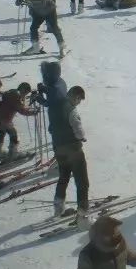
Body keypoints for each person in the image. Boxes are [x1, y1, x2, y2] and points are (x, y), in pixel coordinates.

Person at [41, 61, 90, 220]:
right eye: (79, 100)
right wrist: (82, 137)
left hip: (58, 147)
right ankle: (83, 214)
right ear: (75, 96)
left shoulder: (55, 103)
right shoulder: (71, 108)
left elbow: (52, 123)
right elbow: (77, 127)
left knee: (64, 177)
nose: (78, 103)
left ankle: (58, 206)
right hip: (73, 148)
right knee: (82, 181)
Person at [0, 82, 34, 159]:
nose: (25, 95)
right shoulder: (16, 96)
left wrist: (26, 108)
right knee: (13, 134)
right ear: (23, 90)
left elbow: (17, 106)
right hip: (3, 119)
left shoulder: (11, 92)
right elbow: (21, 110)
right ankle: (13, 153)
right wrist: (32, 112)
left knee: (1, 132)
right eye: (25, 93)